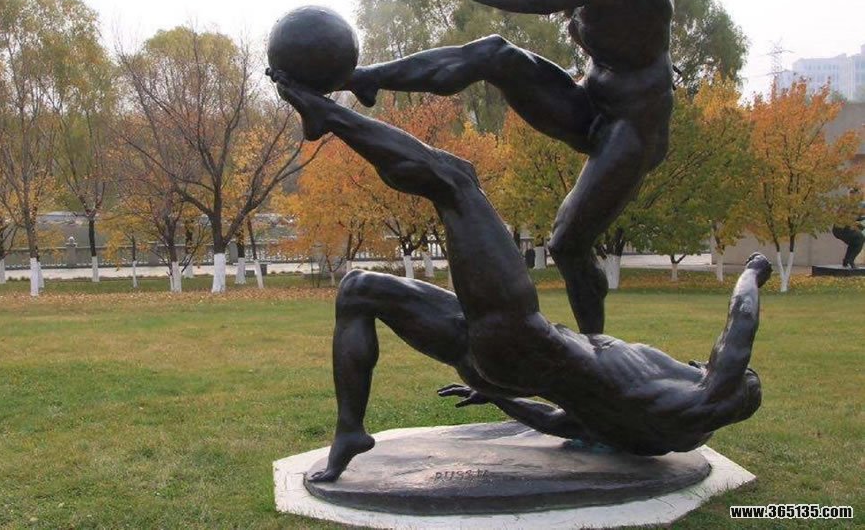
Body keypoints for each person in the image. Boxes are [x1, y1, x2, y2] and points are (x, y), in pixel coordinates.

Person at [269, 71, 768, 483]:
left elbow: (738, 331)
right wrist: (497, 392)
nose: (701, 362)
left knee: (455, 180)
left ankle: (326, 114)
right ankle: (349, 431)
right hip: (502, 362)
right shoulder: (654, 432)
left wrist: (752, 273)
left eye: (718, 371)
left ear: (727, 392)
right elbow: (557, 421)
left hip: (521, 338)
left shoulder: (698, 403)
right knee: (359, 290)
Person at [343, 0, 672, 335]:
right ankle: (369, 79)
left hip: (634, 126)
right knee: (494, 54)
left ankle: (597, 352)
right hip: (590, 105)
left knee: (568, 244)